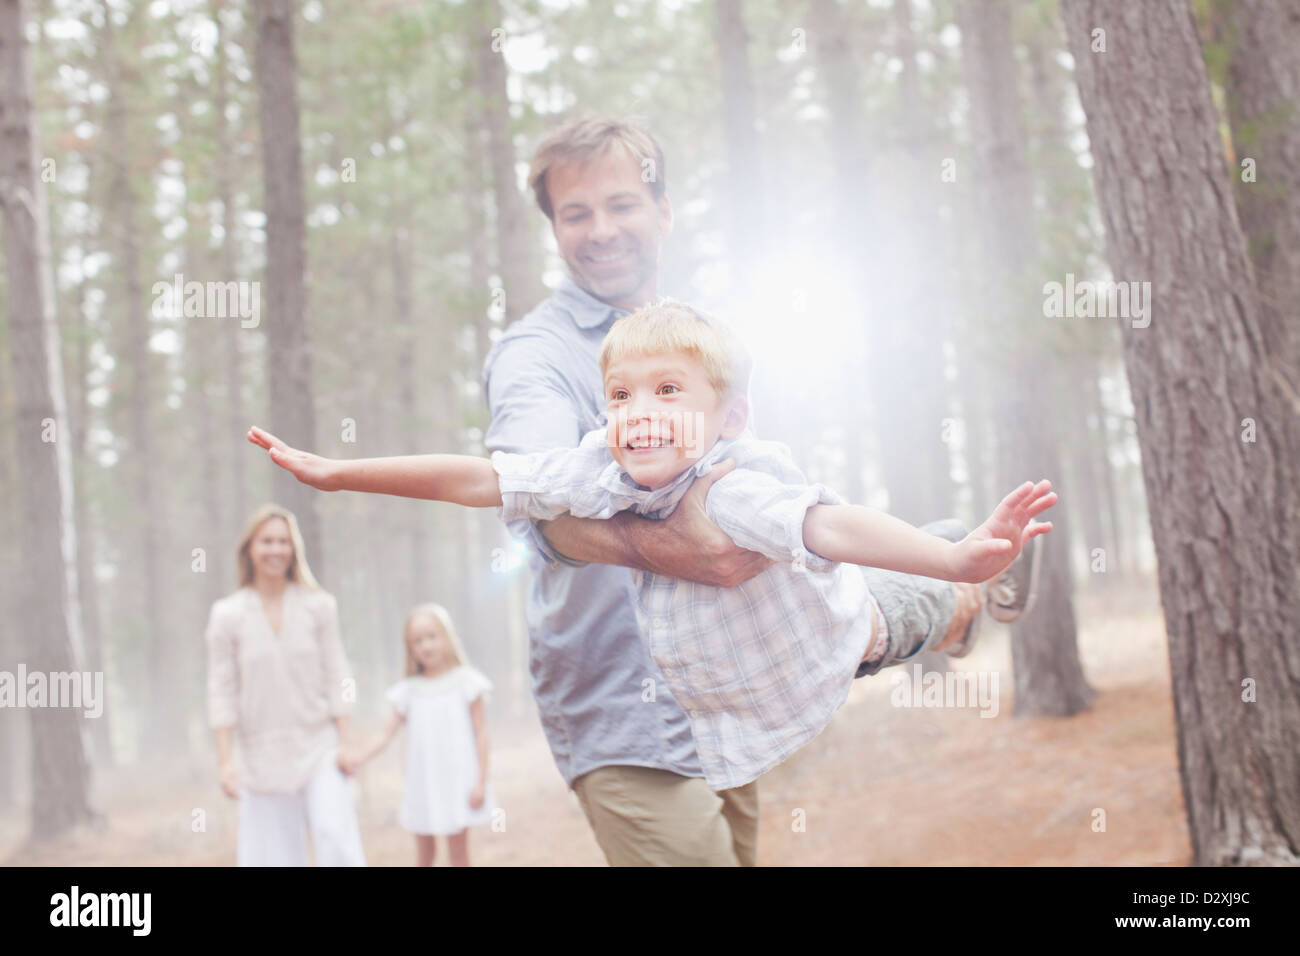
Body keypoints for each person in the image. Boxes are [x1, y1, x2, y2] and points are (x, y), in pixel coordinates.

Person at [244, 299, 1056, 792]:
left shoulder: (734, 486)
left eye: (670, 391)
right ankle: (958, 564)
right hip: (758, 683)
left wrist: (953, 563)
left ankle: (964, 571)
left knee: (939, 603)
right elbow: (480, 479)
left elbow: (831, 528)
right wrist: (343, 474)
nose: (642, 411)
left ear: (725, 418)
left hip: (849, 638)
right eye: (623, 394)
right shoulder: (598, 466)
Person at [204, 504, 366, 866]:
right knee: (272, 858)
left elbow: (338, 673)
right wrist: (226, 761)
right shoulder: (227, 615)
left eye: (284, 542)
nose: (276, 550)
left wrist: (345, 742)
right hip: (259, 752)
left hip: (319, 745)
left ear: (294, 550)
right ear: (250, 548)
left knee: (335, 837)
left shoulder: (319, 606)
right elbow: (221, 689)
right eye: (267, 541)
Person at [342, 603, 494, 867]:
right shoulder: (408, 691)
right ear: (410, 649)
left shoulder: (466, 683)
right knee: (425, 855)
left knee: (458, 854)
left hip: (459, 782)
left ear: (446, 637)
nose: (426, 646)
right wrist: (357, 757)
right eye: (417, 641)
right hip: (423, 784)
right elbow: (385, 734)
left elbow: (481, 733)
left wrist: (480, 781)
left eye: (432, 637)